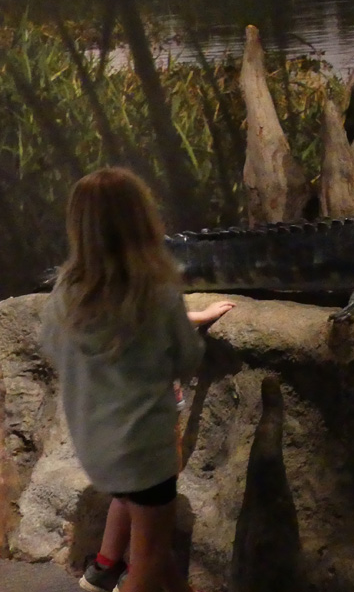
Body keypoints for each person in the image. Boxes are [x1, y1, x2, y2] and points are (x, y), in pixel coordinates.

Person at [40, 168, 235, 592]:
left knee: (155, 549)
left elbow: (53, 348)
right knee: (145, 567)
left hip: (97, 449)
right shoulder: (157, 291)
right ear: (143, 219)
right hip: (145, 453)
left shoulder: (63, 295)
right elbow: (186, 358)